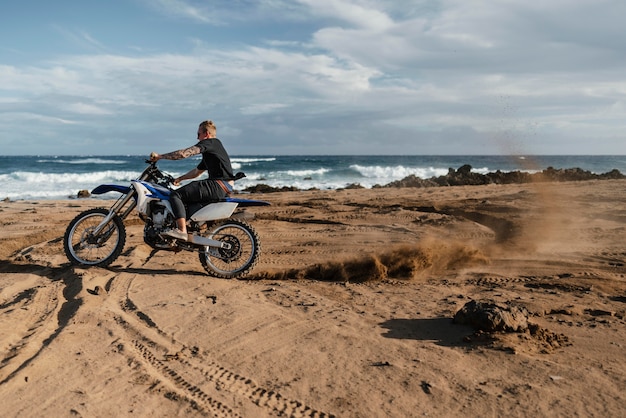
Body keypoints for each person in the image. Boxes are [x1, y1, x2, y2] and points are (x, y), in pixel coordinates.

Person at [150, 120, 235, 241]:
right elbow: (196, 172)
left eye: (198, 134)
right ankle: (189, 228)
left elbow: (184, 154)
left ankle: (182, 231)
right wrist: (180, 178)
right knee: (187, 199)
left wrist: (160, 156)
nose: (197, 137)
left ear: (206, 134)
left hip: (218, 185)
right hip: (224, 186)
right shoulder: (212, 149)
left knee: (175, 195)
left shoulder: (210, 143)